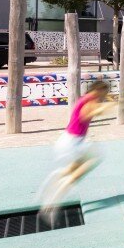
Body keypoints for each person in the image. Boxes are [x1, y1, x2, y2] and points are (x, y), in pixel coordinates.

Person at [38, 79, 113, 223]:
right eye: (105, 92)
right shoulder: (90, 100)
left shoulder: (86, 99)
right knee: (93, 158)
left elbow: (91, 112)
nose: (105, 95)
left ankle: (53, 182)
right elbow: (87, 114)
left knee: (73, 169)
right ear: (98, 91)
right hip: (72, 143)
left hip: (69, 141)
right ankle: (53, 201)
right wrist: (107, 107)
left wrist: (104, 106)